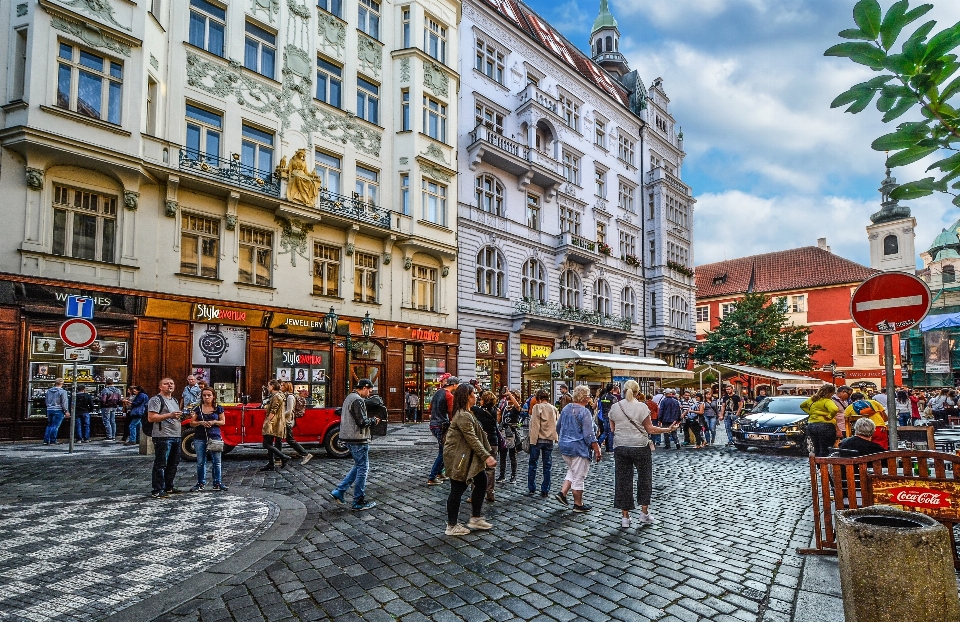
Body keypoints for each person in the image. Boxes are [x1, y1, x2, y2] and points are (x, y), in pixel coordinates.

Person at [609, 380, 681, 528]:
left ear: (623, 391)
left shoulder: (615, 407)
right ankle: (644, 513)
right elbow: (650, 429)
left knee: (623, 481)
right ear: (637, 392)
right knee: (644, 478)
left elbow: (612, 429)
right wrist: (668, 430)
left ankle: (625, 517)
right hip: (640, 446)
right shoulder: (642, 407)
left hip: (621, 447)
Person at [443, 384, 497, 536]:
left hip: (467, 458)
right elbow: (472, 439)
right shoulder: (463, 415)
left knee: (482, 482)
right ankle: (452, 526)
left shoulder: (467, 413)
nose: (476, 396)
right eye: (474, 393)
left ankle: (476, 517)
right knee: (457, 490)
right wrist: (486, 456)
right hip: (459, 459)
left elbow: (473, 435)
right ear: (467, 396)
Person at [330, 379, 380, 510]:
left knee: (358, 466)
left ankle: (340, 491)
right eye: (369, 391)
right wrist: (374, 421)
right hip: (357, 438)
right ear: (364, 388)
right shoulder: (357, 400)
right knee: (363, 468)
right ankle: (358, 500)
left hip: (348, 437)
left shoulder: (349, 397)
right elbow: (362, 421)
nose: (369, 394)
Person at [554, 385, 602, 512]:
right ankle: (578, 504)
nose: (589, 398)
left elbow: (558, 426)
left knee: (573, 470)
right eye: (588, 396)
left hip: (565, 446)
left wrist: (564, 437)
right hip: (579, 447)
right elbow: (588, 434)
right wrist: (596, 448)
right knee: (579, 476)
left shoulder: (566, 409)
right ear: (584, 397)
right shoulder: (584, 412)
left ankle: (563, 493)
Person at [148, 378, 184, 498]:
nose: (169, 385)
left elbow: (176, 417)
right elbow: (151, 417)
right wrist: (170, 415)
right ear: (160, 387)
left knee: (173, 463)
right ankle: (157, 489)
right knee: (161, 463)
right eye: (166, 383)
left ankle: (169, 486)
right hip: (163, 435)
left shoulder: (174, 400)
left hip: (176, 435)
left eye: (172, 383)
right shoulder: (156, 400)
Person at [190, 387, 227, 492]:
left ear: (213, 396)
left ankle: (217, 483)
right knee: (201, 462)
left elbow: (223, 422)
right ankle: (200, 483)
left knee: (217, 461)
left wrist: (213, 422)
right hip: (200, 437)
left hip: (214, 436)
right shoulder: (198, 409)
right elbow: (192, 422)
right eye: (204, 395)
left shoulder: (218, 408)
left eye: (209, 395)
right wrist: (200, 423)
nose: (206, 397)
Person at [427, 376, 458, 485]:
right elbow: (451, 413)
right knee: (444, 451)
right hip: (442, 426)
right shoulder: (449, 395)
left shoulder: (437, 392)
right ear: (453, 384)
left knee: (444, 449)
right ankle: (432, 476)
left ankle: (440, 472)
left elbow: (430, 409)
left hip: (433, 424)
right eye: (457, 385)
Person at [527, 388, 559, 497]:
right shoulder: (553, 408)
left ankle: (532, 487)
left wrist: (532, 440)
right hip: (549, 440)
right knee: (547, 466)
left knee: (533, 464)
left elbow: (535, 425)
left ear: (539, 399)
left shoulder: (537, 407)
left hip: (538, 439)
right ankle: (545, 489)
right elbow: (556, 424)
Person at [471, 391, 501, 503]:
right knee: (490, 470)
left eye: (481, 399)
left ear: (484, 400)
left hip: (482, 442)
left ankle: (475, 494)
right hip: (494, 442)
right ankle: (490, 493)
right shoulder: (495, 411)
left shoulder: (478, 411)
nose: (480, 400)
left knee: (477, 468)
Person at [800, 384, 840, 457]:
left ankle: (818, 465)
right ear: (830, 393)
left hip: (812, 425)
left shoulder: (812, 399)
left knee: (817, 447)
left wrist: (810, 412)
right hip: (826, 425)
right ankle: (824, 466)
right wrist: (830, 416)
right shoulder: (827, 401)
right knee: (826, 448)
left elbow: (802, 406)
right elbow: (835, 409)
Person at [261, 380, 290, 471]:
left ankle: (283, 456)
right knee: (269, 443)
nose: (267, 387)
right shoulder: (278, 395)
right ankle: (271, 464)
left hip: (273, 423)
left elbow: (273, 410)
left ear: (273, 386)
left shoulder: (276, 396)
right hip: (275, 422)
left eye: (269, 385)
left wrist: (267, 421)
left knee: (266, 444)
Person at [281, 381, 313, 465]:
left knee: (289, 439)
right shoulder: (287, 396)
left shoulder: (290, 397)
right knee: (280, 439)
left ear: (286, 387)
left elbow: (289, 411)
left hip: (287, 421)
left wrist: (279, 416)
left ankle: (305, 454)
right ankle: (278, 458)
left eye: (282, 386)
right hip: (285, 420)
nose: (280, 387)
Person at [498, 391, 522, 483]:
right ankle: (502, 475)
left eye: (511, 396)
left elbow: (517, 405)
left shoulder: (516, 407)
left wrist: (510, 395)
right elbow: (500, 420)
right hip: (504, 432)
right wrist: (498, 415)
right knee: (502, 455)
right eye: (508, 396)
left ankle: (513, 476)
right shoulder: (505, 407)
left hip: (512, 433)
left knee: (512, 455)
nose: (508, 397)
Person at [43, 378, 71, 445]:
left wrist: (49, 406)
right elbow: (64, 402)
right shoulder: (63, 392)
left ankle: (46, 440)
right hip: (58, 409)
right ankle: (53, 440)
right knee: (55, 426)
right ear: (62, 383)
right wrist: (66, 411)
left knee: (49, 425)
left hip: (49, 409)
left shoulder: (49, 391)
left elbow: (46, 400)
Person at [597, 383, 620, 452]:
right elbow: (616, 408)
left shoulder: (603, 396)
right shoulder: (613, 398)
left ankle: (598, 443)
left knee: (605, 432)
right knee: (610, 432)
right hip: (610, 417)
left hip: (604, 416)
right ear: (612, 389)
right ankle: (610, 448)